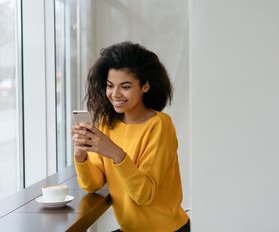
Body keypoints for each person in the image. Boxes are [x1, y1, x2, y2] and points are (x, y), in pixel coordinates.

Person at [71, 41, 190, 232]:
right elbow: (92, 184)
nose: (115, 94)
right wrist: (80, 156)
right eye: (110, 85)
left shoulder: (160, 125)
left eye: (125, 86)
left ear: (145, 86)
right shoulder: (107, 124)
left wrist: (116, 153)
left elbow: (143, 194)